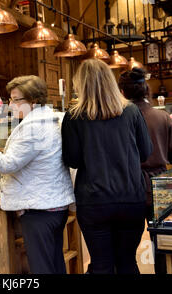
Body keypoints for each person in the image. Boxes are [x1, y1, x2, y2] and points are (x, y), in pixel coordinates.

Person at [0, 75, 75, 274]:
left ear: (33, 101)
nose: (10, 104)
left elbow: (6, 164)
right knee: (54, 263)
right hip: (53, 204)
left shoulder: (33, 127)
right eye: (10, 99)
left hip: (39, 210)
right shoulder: (49, 119)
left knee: (42, 268)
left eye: (15, 99)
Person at [61, 59, 152, 274]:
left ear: (80, 84)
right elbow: (146, 152)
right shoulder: (131, 111)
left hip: (93, 202)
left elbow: (72, 159)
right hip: (131, 198)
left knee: (101, 265)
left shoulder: (73, 117)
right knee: (128, 263)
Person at [118, 67, 172, 275]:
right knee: (161, 245)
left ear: (122, 92)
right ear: (146, 89)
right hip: (160, 187)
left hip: (129, 187)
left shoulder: (119, 118)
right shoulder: (163, 117)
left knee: (126, 249)